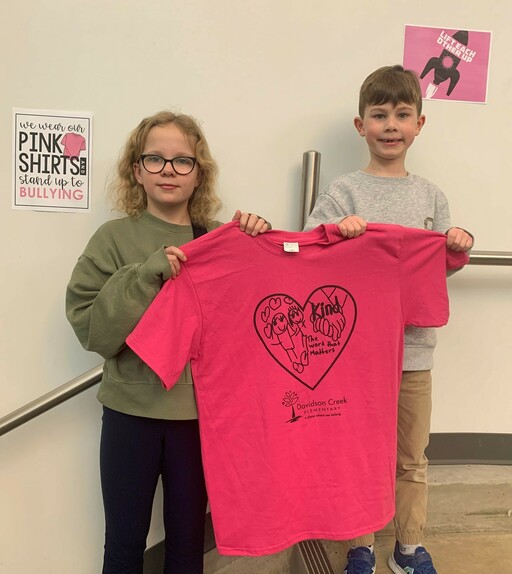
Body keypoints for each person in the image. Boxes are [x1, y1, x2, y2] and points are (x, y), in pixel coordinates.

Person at [65, 110, 269, 574]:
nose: (168, 171)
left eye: (182, 161)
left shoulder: (219, 239)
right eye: (155, 159)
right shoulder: (113, 239)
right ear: (136, 171)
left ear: (200, 174)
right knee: (123, 546)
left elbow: (259, 321)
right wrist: (144, 276)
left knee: (186, 548)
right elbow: (93, 331)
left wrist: (256, 243)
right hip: (129, 418)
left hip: (200, 422)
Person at [304, 65, 473, 574]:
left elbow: (438, 264)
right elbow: (310, 247)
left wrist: (458, 248)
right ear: (361, 126)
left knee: (412, 458)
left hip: (415, 352)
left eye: (402, 114)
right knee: (362, 455)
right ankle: (361, 546)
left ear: (419, 124)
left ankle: (408, 547)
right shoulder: (343, 191)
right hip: (357, 354)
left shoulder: (431, 197)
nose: (391, 125)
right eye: (380, 115)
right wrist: (338, 231)